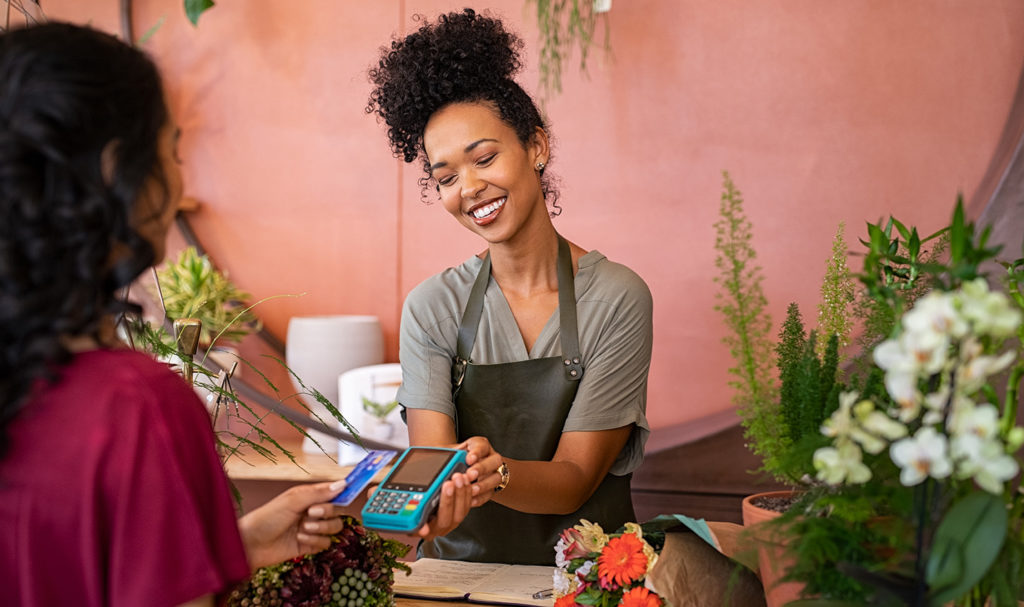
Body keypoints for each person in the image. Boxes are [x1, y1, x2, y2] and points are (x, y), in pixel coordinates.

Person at [0, 23, 348, 607]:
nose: (179, 175)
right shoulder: (138, 407)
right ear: (119, 172)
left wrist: (233, 547)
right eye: (172, 150)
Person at [367, 9, 653, 565]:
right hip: (460, 581)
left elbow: (575, 477)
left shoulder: (618, 298)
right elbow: (431, 464)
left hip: (590, 582)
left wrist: (490, 471)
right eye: (446, 177)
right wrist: (430, 497)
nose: (469, 188)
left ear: (537, 147)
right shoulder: (432, 308)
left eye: (485, 157)